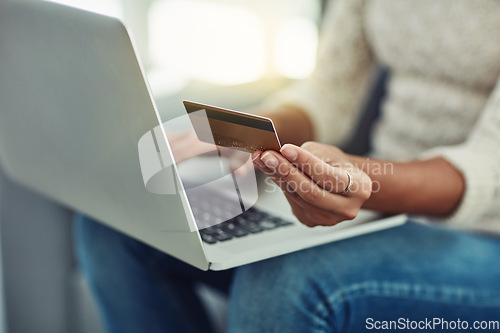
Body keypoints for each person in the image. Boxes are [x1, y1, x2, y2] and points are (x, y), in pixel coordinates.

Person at [75, 0, 500, 332]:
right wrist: (237, 132)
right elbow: (328, 94)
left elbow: (489, 167)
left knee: (287, 277)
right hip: (378, 209)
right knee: (119, 227)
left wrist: (360, 179)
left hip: (482, 234)